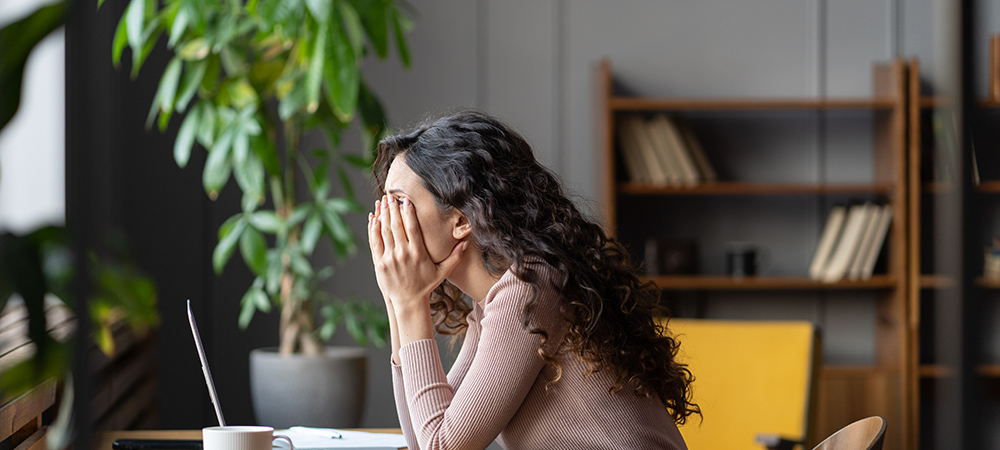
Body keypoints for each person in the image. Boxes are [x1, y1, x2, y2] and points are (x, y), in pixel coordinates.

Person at [367, 110, 697, 450]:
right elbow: (423, 441)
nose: (385, 221)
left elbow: (443, 447)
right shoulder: (495, 303)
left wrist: (409, 303)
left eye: (400, 203)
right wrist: (398, 298)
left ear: (461, 219)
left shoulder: (530, 287)